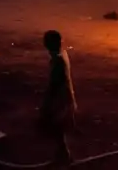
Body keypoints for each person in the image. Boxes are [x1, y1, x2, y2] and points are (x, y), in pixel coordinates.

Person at [40, 29, 77, 166]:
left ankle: (64, 157)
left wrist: (45, 104)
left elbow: (53, 85)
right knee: (59, 130)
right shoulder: (62, 55)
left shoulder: (58, 60)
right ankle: (62, 156)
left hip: (60, 99)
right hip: (65, 97)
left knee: (56, 128)